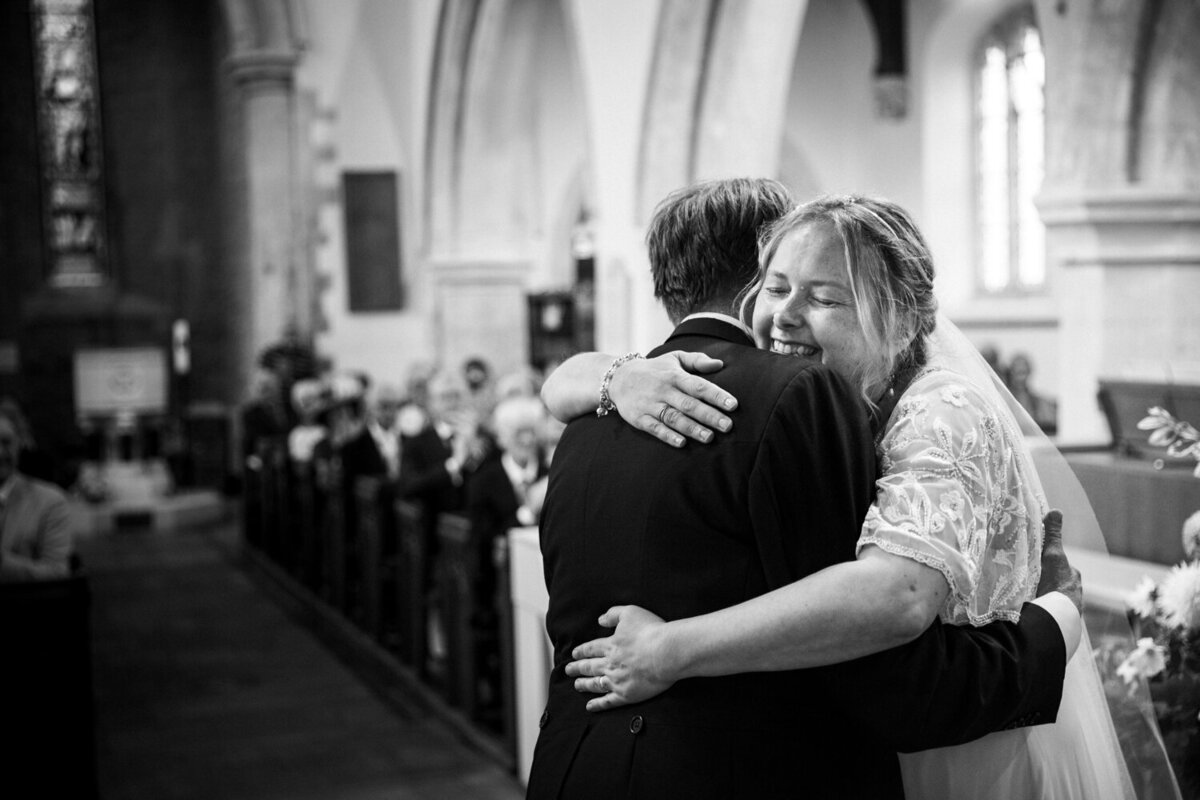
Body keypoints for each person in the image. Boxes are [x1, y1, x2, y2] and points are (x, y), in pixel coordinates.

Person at [547, 193, 1180, 799]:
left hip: (964, 743)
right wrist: (610, 374)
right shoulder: (816, 402)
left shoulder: (942, 407)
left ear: (900, 319)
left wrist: (668, 648)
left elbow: (899, 595)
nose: (786, 315)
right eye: (774, 288)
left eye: (824, 298)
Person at [0, 405, 74, 582]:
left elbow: (57, 573)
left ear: (20, 442)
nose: (0, 453)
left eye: (6, 442)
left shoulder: (50, 502)